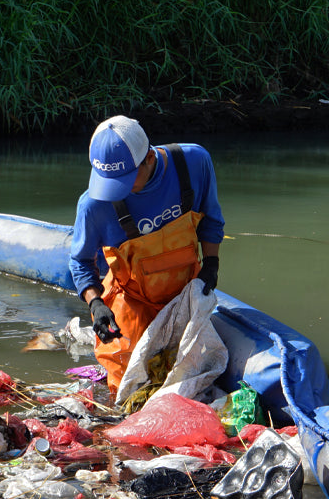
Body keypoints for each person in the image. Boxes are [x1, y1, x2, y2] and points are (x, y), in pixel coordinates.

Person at [68, 115, 224, 391]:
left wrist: (211, 263)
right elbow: (80, 262)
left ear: (149, 158)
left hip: (185, 293)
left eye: (125, 179)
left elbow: (211, 220)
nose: (116, 190)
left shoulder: (194, 163)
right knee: (127, 388)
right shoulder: (94, 205)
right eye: (109, 180)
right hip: (132, 300)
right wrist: (96, 304)